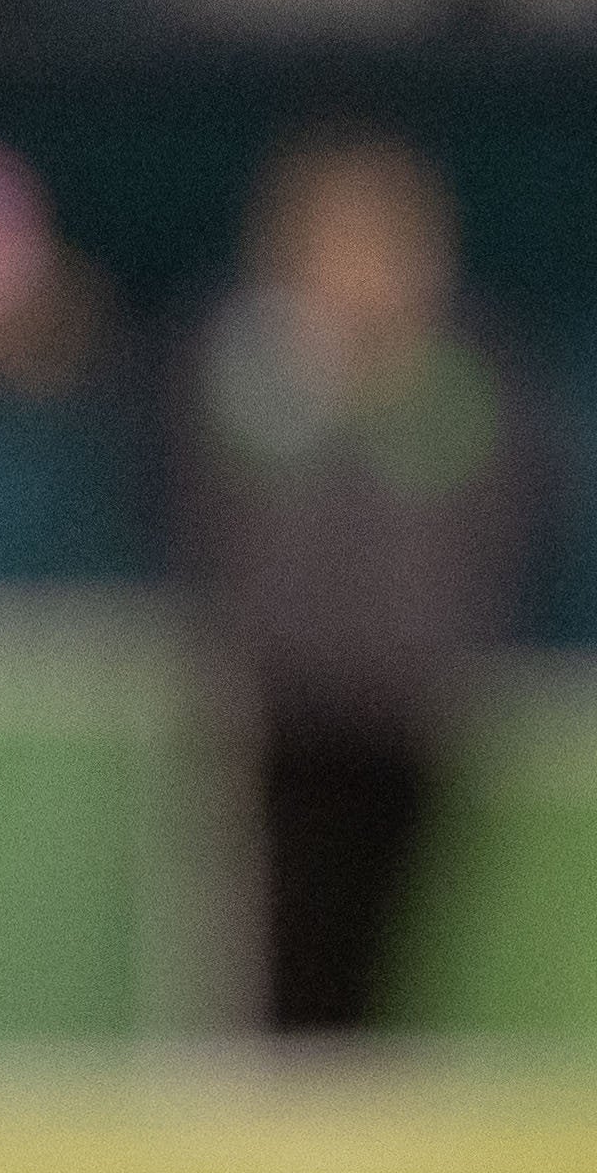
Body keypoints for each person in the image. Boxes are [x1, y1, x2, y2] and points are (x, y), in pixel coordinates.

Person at [174, 133, 537, 1034]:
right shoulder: (251, 377)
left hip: (412, 708)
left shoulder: (460, 382)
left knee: (393, 959)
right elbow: (216, 525)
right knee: (286, 950)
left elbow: (496, 525)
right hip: (283, 710)